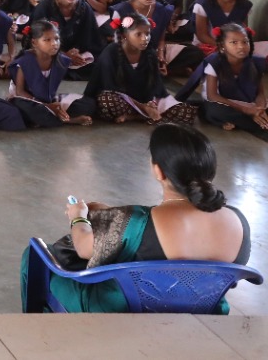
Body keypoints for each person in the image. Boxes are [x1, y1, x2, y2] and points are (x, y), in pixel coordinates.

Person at [36, 123, 251, 312]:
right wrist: (110, 214)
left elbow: (83, 247)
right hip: (204, 315)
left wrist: (78, 217)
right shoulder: (238, 221)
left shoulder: (137, 220)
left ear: (159, 172)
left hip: (128, 313)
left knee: (38, 255)